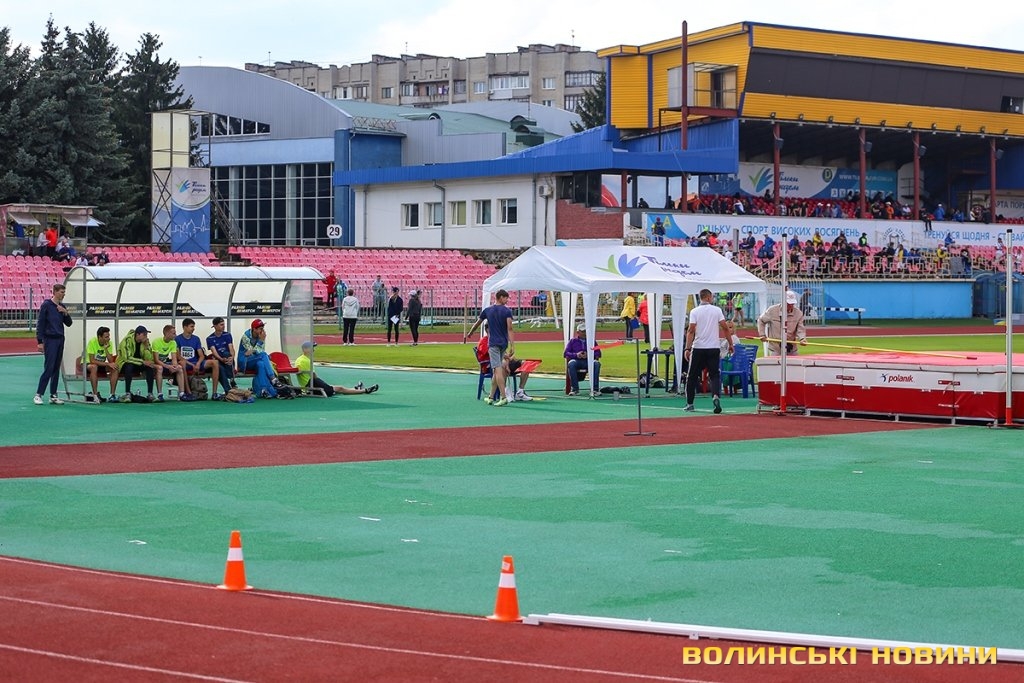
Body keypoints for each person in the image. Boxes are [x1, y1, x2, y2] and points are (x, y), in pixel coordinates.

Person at [683, 288, 732, 414]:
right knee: (714, 374)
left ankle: (690, 403)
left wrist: (687, 348)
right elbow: (725, 328)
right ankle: (715, 395)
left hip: (698, 347)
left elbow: (691, 330)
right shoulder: (717, 310)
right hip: (713, 347)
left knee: (692, 376)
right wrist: (731, 343)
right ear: (709, 297)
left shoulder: (694, 311)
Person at [464, 289, 515, 406]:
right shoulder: (507, 311)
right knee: (497, 370)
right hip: (503, 343)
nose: (507, 300)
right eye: (506, 298)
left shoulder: (488, 310)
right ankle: (491, 396)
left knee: (497, 370)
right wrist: (512, 344)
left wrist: (471, 332)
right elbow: (510, 328)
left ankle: (503, 397)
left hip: (493, 343)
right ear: (500, 297)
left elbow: (478, 322)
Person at [34, 283, 72, 405]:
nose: (63, 294)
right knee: (49, 367)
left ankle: (53, 395)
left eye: (64, 292)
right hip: (50, 340)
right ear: (55, 292)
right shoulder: (46, 305)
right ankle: (38, 394)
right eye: (61, 292)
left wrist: (65, 312)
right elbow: (41, 324)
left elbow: (69, 323)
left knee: (56, 368)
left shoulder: (62, 306)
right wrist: (40, 342)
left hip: (60, 339)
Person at [295, 341, 378, 396]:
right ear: (305, 349)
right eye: (311, 348)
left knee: (336, 388)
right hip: (311, 385)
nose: (313, 350)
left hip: (308, 384)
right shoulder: (305, 360)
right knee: (339, 388)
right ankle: (364, 390)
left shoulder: (300, 359)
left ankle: (356, 389)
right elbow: (314, 376)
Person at [176, 318, 219, 398]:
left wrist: (198, 364)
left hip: (196, 363)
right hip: (186, 363)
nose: (193, 329)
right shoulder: (177, 339)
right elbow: (178, 356)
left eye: (194, 326)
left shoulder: (196, 339)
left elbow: (201, 355)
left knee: (215, 362)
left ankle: (214, 393)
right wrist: (191, 365)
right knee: (182, 363)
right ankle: (188, 392)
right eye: (191, 326)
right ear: (185, 327)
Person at [757, 290, 808, 356]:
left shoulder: (798, 313)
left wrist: (802, 339)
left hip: (791, 347)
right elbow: (761, 320)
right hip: (775, 347)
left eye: (792, 304)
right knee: (775, 362)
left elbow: (800, 328)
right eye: (788, 304)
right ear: (783, 301)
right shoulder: (772, 310)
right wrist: (762, 335)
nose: (791, 306)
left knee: (795, 362)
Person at [152, 324, 193, 402]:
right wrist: (168, 367)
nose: (175, 335)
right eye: (173, 333)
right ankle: (160, 394)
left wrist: (174, 366)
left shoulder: (173, 343)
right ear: (167, 333)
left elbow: (174, 359)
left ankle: (182, 394)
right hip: (155, 365)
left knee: (179, 368)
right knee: (160, 368)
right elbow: (156, 360)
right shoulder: (156, 342)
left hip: (165, 364)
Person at [238, 318, 278, 398]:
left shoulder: (261, 335)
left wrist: (254, 350)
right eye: (260, 329)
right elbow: (251, 353)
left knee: (261, 364)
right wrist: (260, 342)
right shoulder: (245, 336)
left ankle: (263, 390)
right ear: (254, 329)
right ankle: (273, 378)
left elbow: (258, 351)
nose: (262, 331)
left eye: (263, 328)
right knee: (263, 355)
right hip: (245, 362)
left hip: (256, 360)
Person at [117, 325, 157, 402]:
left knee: (150, 367)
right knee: (129, 366)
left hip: (138, 364)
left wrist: (146, 347)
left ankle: (150, 394)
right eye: (144, 334)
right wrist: (143, 362)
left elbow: (149, 359)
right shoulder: (127, 340)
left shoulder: (145, 342)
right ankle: (128, 393)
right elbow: (127, 358)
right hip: (124, 364)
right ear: (137, 334)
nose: (146, 336)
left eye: (146, 334)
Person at [564, 324, 601, 396]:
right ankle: (575, 389)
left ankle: (595, 389)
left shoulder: (592, 341)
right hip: (577, 361)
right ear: (578, 332)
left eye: (585, 331)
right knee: (571, 363)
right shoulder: (572, 341)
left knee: (596, 363)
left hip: (589, 361)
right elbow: (566, 353)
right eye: (583, 331)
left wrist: (589, 355)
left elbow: (598, 353)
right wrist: (576, 355)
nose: (584, 333)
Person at [84, 326, 119, 403]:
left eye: (109, 336)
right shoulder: (92, 342)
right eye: (106, 337)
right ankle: (95, 395)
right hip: (88, 364)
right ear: (100, 337)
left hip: (101, 364)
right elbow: (92, 360)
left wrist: (106, 349)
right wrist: (107, 364)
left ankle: (112, 395)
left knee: (115, 368)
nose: (108, 338)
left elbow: (111, 361)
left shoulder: (109, 343)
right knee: (94, 367)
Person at [205, 317, 236, 398]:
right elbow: (214, 352)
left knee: (226, 353)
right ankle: (228, 390)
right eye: (221, 325)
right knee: (219, 368)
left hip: (228, 359)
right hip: (219, 360)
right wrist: (221, 359)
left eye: (224, 324)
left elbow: (231, 348)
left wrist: (232, 357)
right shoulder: (210, 338)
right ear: (215, 326)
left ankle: (231, 378)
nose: (223, 326)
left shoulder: (227, 335)